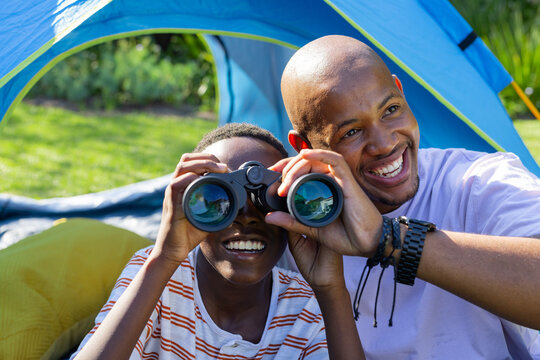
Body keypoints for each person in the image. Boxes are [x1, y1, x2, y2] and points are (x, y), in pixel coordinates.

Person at [265, 35, 540, 359]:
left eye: (391, 109)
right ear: (304, 147)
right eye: (350, 132)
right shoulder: (297, 224)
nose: (383, 143)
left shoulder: (478, 182)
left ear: (401, 91)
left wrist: (388, 238)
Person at [71, 123, 364, 359]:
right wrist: (164, 257)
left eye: (270, 198)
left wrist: (330, 288)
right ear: (186, 208)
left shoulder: (303, 308)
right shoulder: (157, 278)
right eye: (219, 198)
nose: (247, 217)